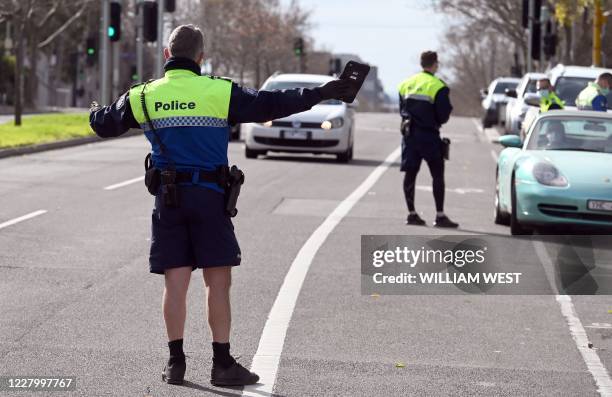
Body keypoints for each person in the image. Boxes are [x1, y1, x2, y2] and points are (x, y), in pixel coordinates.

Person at [89, 24, 351, 387]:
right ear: (201, 57)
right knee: (217, 281)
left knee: (175, 281)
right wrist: (323, 92)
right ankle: (222, 363)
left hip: (169, 200)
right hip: (211, 199)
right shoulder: (220, 91)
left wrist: (95, 111)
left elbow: (104, 124)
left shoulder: (144, 96)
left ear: (167, 56)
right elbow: (272, 103)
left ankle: (176, 362)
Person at [397, 51, 458, 228]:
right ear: (435, 64)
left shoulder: (406, 84)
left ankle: (411, 213)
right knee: (437, 174)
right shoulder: (438, 86)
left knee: (410, 173)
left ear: (421, 63)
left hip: (409, 135)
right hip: (429, 135)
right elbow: (443, 114)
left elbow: (401, 108)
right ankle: (440, 215)